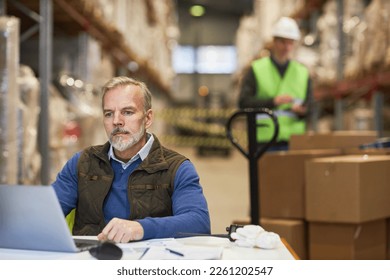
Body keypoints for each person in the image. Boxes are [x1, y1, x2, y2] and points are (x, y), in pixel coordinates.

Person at [52, 76, 211, 243]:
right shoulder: (82, 163)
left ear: (148, 118)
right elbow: (46, 213)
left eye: (127, 112)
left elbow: (198, 222)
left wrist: (141, 228)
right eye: (109, 114)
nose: (116, 121)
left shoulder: (176, 168)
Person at [239, 16, 312, 151]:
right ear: (274, 41)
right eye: (282, 42)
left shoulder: (302, 72)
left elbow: (310, 107)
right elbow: (243, 103)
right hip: (264, 142)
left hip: (294, 142)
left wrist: (301, 111)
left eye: (290, 42)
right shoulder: (256, 69)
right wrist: (273, 101)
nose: (287, 47)